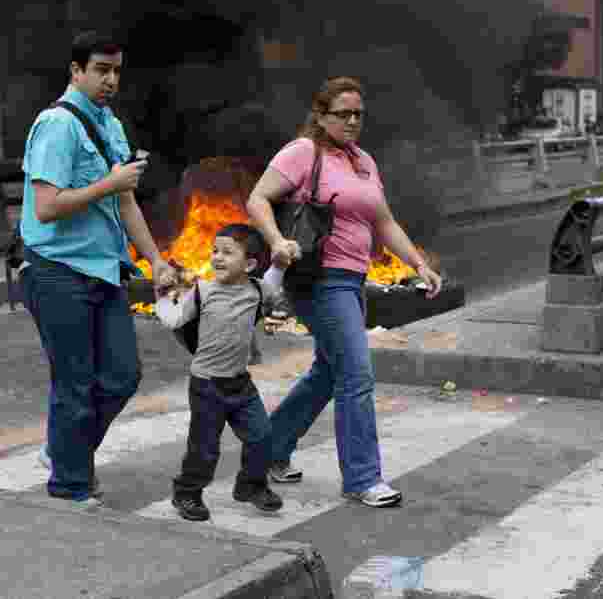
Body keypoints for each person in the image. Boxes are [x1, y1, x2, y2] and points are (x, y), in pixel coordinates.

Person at [246, 76, 443, 508]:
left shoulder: (363, 162)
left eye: (358, 114)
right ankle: (361, 477)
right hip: (317, 279)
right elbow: (257, 199)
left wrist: (419, 263)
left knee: (330, 372)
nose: (353, 121)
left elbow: (384, 222)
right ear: (321, 115)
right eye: (343, 114)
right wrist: (277, 241)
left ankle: (267, 449)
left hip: (352, 280)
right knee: (356, 373)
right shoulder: (302, 152)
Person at [18, 31, 175, 504]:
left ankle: (62, 449)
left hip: (105, 271)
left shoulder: (111, 125)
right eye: (101, 70)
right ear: (76, 71)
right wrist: (109, 183)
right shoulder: (57, 125)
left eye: (116, 71)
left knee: (122, 376)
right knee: (76, 383)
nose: (110, 80)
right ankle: (70, 486)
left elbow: (126, 202)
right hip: (58, 271)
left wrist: (155, 259)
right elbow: (46, 207)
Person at [154, 223, 285, 521]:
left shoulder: (257, 289)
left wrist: (279, 264)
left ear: (249, 264)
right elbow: (174, 319)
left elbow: (274, 285)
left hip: (241, 384)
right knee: (204, 449)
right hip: (206, 385)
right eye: (215, 251)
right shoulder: (203, 291)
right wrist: (161, 297)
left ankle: (251, 486)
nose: (217, 258)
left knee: (262, 437)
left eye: (228, 252)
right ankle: (187, 493)